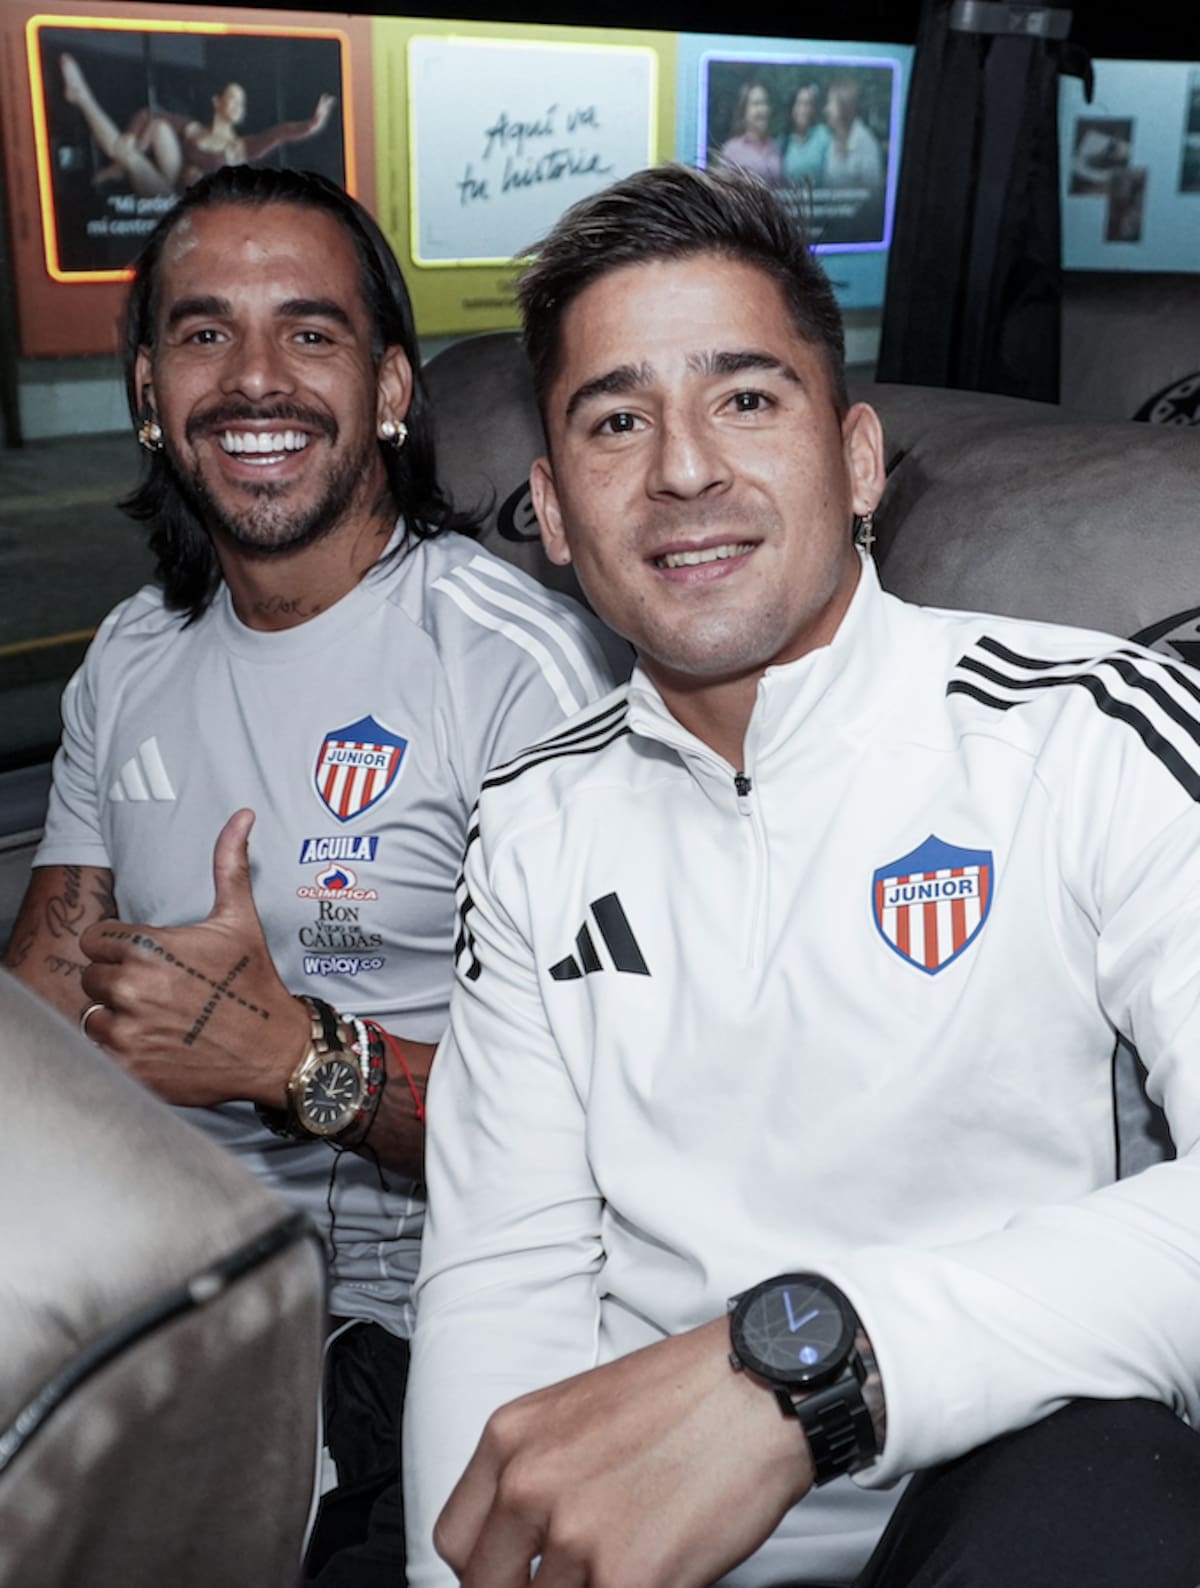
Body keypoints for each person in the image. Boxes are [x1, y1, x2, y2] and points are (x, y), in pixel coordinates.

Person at [403, 162, 1200, 1587]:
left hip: (1004, 1509)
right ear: (555, 511)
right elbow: (501, 1283)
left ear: (860, 459)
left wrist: (815, 1371)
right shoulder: (530, 822)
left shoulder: (1092, 729)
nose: (684, 469)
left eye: (747, 399)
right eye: (617, 419)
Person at [2, 163, 628, 1585]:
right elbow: (40, 1006)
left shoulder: (515, 672)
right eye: (204, 333)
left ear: (390, 387)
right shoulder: (131, 657)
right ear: (150, 393)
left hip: (400, 1317)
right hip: (141, 1259)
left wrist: (294, 1057)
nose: (254, 379)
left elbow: (619, 1125)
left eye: (310, 331)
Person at [60, 53, 336, 198]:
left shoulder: (239, 148)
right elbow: (150, 114)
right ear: (217, 102)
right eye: (232, 99)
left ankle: (82, 98)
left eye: (241, 104)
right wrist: (132, 134)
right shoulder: (194, 129)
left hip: (181, 208)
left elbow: (278, 134)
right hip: (169, 185)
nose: (236, 106)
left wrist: (311, 125)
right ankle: (121, 163)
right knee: (159, 127)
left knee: (128, 155)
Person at [822, 75, 884, 196]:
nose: (826, 109)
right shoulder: (832, 142)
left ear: (844, 106)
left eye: (830, 103)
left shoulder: (866, 142)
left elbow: (873, 192)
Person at [716, 81, 782, 187]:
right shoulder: (731, 150)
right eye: (756, 104)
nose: (762, 109)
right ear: (744, 112)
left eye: (765, 103)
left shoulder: (775, 147)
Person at [779, 82, 831, 188]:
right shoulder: (782, 143)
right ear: (792, 108)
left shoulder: (823, 135)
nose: (804, 110)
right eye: (800, 104)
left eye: (809, 104)